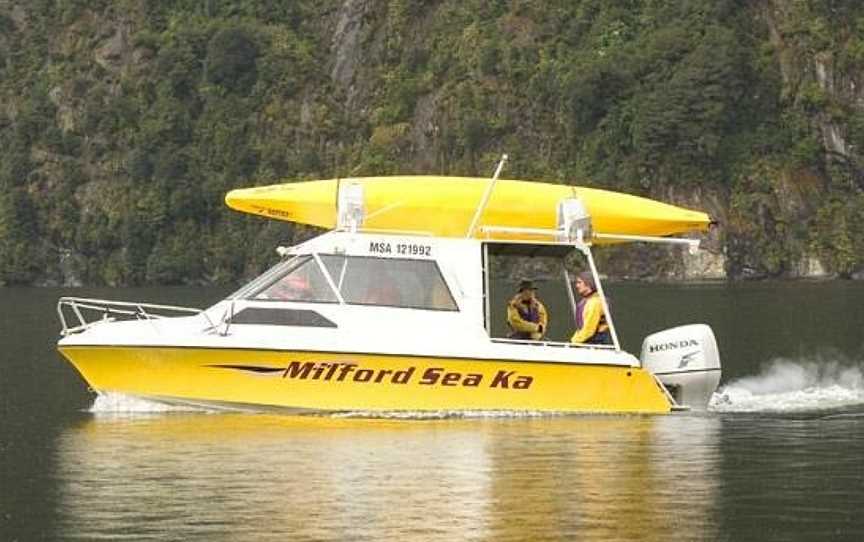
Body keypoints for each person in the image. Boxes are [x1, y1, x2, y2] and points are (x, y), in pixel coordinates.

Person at [570, 271, 611, 345]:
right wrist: (573, 340)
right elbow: (582, 329)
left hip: (595, 344)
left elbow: (589, 330)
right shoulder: (588, 301)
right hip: (588, 342)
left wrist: (574, 342)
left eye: (579, 282)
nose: (577, 286)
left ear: (588, 284)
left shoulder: (595, 303)